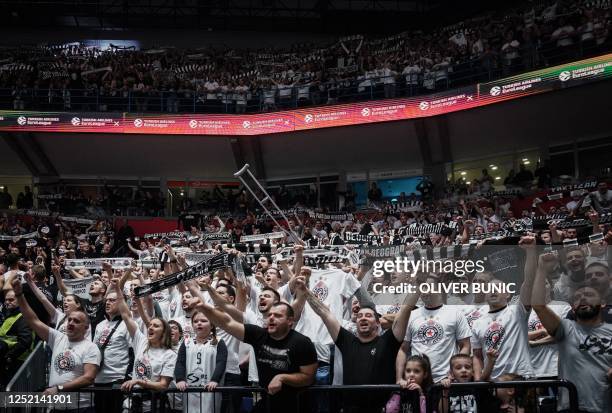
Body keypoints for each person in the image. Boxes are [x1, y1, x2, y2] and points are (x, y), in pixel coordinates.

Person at [187, 280, 317, 413]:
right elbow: (227, 323)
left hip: (296, 404)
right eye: (270, 315)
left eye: (277, 316)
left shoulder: (302, 343)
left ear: (290, 321)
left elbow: (308, 377)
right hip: (268, 400)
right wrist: (203, 307)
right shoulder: (259, 335)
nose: (271, 318)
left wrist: (282, 378)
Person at [298, 273, 419, 412]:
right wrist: (305, 291)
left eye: (368, 316)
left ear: (378, 323)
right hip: (351, 409)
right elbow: (324, 312)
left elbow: (406, 308)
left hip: (380, 409)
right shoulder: (347, 341)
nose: (363, 318)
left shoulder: (388, 342)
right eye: (360, 316)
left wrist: (421, 281)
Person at [532, 253, 612, 413]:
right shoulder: (566, 328)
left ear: (603, 303)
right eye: (578, 297)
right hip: (572, 407)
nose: (583, 298)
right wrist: (541, 269)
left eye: (589, 295)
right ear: (573, 307)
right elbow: (538, 305)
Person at [11, 277, 100, 411]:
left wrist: (59, 389)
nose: (71, 323)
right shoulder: (58, 338)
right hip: (57, 405)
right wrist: (19, 295)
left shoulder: (91, 348)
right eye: (69, 320)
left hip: (80, 407)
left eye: (76, 321)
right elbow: (32, 320)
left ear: (86, 328)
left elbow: (88, 378)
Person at [112, 279, 177, 412]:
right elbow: (125, 314)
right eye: (150, 325)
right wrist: (118, 289)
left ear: (164, 332)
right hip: (132, 405)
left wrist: (138, 382)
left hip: (153, 406)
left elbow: (163, 385)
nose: (150, 327)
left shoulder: (169, 354)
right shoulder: (141, 342)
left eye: (156, 326)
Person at [396, 274, 471, 384]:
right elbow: (403, 349)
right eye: (422, 288)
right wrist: (399, 378)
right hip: (417, 380)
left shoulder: (455, 314)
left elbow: (465, 345)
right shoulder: (412, 315)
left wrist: (453, 372)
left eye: (428, 287)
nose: (424, 291)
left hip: (445, 380)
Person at [174, 310, 227, 413]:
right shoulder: (186, 342)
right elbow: (180, 362)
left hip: (210, 389)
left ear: (211, 325)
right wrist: (180, 379)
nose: (199, 323)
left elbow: (221, 362)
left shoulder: (218, 341)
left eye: (203, 321)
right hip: (189, 389)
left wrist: (215, 380)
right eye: (195, 321)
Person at [92, 290, 131, 413]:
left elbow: (133, 353)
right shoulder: (100, 325)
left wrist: (126, 379)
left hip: (117, 380)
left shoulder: (128, 325)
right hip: (98, 380)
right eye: (107, 300)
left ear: (122, 303)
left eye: (112, 300)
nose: (108, 303)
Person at [0, 289, 34, 386]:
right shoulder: (10, 315)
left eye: (11, 300)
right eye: (6, 300)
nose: (7, 302)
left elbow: (25, 341)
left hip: (17, 362)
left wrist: (9, 357)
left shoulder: (23, 317)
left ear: (20, 300)